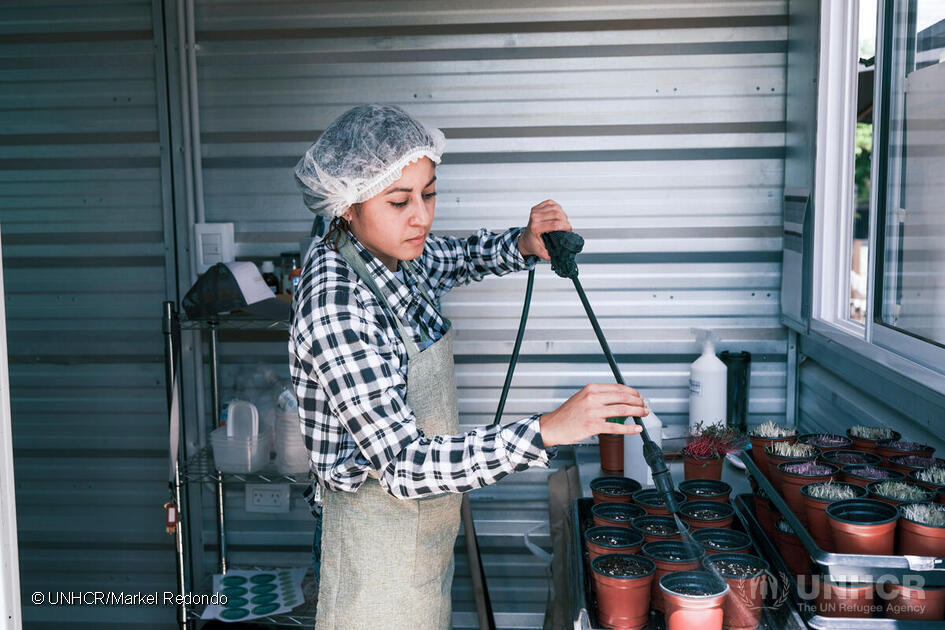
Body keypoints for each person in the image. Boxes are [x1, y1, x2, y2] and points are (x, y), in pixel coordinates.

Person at [289, 104, 646, 630]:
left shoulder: (394, 253)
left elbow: (453, 256)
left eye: (429, 193)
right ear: (346, 205)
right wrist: (547, 430)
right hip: (375, 553)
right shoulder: (336, 307)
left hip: (423, 539)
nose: (422, 217)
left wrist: (524, 244)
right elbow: (404, 465)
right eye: (399, 201)